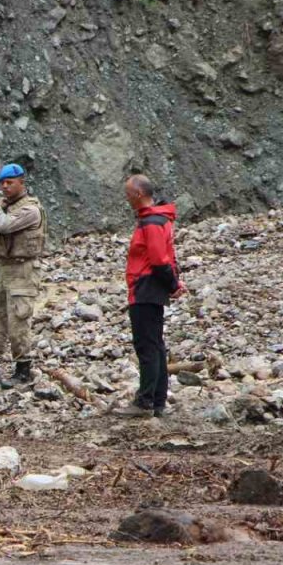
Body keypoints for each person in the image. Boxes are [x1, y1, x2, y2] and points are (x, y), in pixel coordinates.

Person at [0, 163, 48, 388]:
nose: (4, 187)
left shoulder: (30, 210)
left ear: (21, 183)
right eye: (2, 183)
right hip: (5, 268)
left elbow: (4, 226)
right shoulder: (7, 206)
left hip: (23, 269)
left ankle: (22, 370)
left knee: (18, 319)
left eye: (9, 183)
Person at [114, 175, 182, 418]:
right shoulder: (158, 219)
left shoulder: (151, 222)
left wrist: (172, 283)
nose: (127, 198)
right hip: (151, 288)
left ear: (139, 194)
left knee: (147, 346)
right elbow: (168, 256)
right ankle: (157, 401)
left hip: (145, 288)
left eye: (129, 194)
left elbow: (158, 259)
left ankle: (145, 402)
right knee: (156, 345)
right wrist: (173, 283)